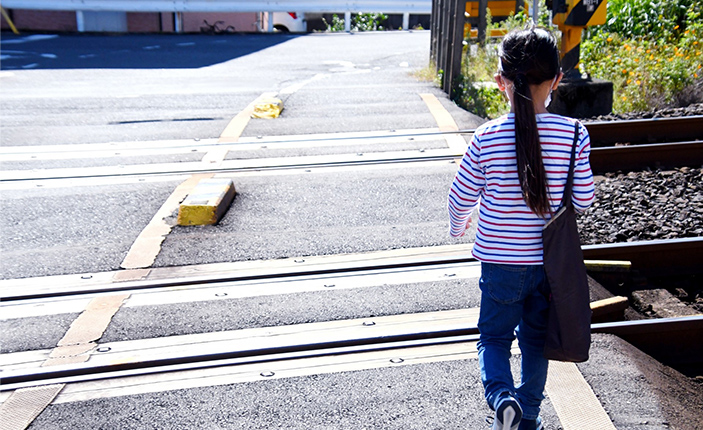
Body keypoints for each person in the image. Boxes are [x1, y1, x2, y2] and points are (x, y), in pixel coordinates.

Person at [447, 27, 595, 430]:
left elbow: (460, 197)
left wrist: (458, 227)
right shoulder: (574, 134)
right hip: (549, 267)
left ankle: (501, 399)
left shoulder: (485, 137)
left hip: (500, 264)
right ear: (557, 81)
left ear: (501, 82)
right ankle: (527, 417)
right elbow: (583, 200)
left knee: (494, 338)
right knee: (534, 341)